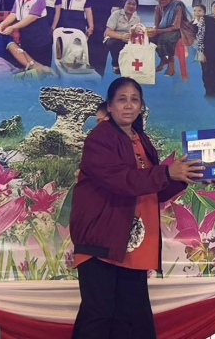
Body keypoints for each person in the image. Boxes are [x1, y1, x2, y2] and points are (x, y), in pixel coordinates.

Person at [70, 77, 202, 339]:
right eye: (122, 99)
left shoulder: (140, 139)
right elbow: (121, 180)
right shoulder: (100, 138)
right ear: (109, 106)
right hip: (103, 242)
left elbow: (151, 189)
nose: (128, 105)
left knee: (132, 320)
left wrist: (184, 177)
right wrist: (167, 172)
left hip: (132, 245)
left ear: (141, 106)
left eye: (134, 99)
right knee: (99, 316)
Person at [0, 0, 53, 67]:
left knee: (43, 67)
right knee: (29, 65)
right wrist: (2, 24)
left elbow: (31, 17)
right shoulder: (18, 0)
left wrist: (12, 27)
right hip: (26, 37)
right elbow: (13, 14)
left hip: (40, 38)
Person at [148, 0, 195, 77]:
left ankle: (171, 65)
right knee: (149, 38)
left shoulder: (177, 6)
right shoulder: (158, 8)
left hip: (180, 30)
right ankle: (163, 59)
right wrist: (153, 31)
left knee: (165, 38)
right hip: (164, 30)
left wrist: (158, 31)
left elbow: (176, 27)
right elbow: (156, 25)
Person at [89, 0, 123, 76]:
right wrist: (89, 25)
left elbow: (115, 12)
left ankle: (99, 77)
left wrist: (109, 29)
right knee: (90, 52)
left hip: (105, 26)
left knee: (101, 55)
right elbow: (88, 9)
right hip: (92, 25)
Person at [105, 0, 143, 74]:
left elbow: (138, 32)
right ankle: (116, 65)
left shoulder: (137, 18)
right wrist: (121, 37)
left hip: (129, 40)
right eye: (129, 3)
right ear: (124, 4)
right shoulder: (116, 14)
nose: (131, 6)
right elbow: (108, 32)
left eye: (134, 4)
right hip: (115, 37)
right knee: (114, 43)